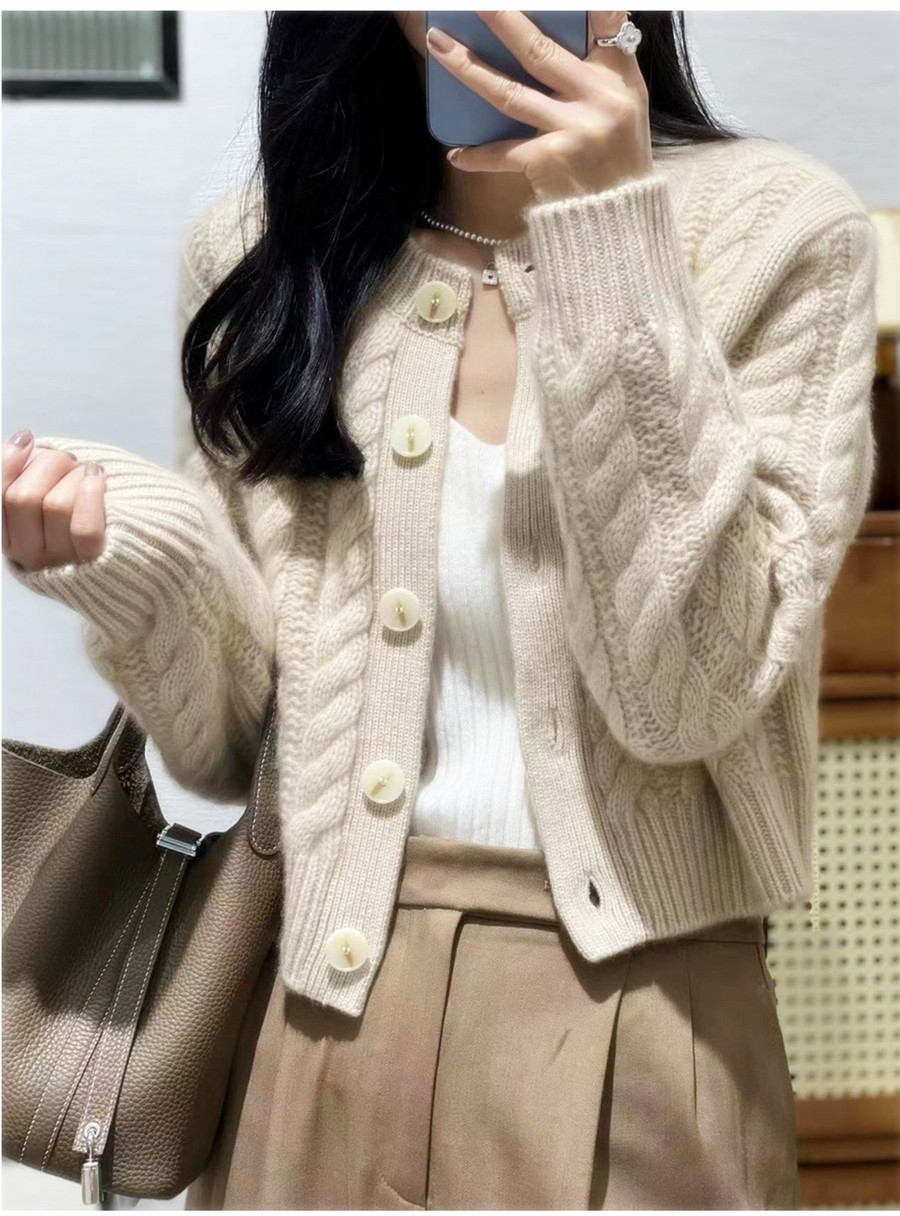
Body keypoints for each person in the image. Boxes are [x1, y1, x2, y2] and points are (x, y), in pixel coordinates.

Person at [2, 10, 878, 1210]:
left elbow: (693, 693)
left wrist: (611, 240)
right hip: (310, 1013)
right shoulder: (273, 247)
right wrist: (131, 555)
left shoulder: (782, 234)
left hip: (644, 1022)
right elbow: (233, 751)